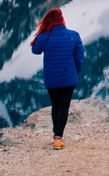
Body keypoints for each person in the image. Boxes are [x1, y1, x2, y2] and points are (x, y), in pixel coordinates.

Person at [30, 8, 84, 149]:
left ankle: (56, 134)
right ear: (62, 21)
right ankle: (58, 137)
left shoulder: (44, 37)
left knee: (56, 106)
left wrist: (41, 34)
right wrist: (75, 72)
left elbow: (35, 50)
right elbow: (79, 58)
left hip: (52, 79)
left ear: (48, 21)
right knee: (64, 106)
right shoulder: (74, 35)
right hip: (69, 78)